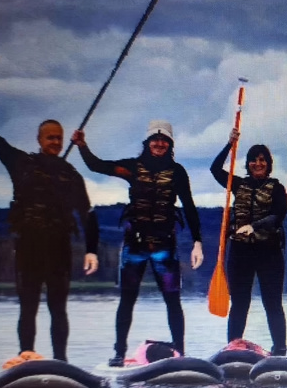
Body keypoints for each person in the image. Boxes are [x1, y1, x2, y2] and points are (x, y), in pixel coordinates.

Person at [0, 109, 99, 362]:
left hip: (59, 248)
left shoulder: (71, 175)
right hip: (29, 246)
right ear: (39, 140)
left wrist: (91, 250)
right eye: (50, 138)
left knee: (58, 308)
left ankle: (61, 361)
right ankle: (26, 354)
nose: (55, 142)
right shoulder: (21, 163)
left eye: (59, 138)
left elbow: (87, 214)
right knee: (28, 305)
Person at [71, 120, 203, 365]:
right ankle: (119, 353)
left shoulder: (177, 173)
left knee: (173, 300)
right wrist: (82, 145)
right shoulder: (132, 168)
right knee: (127, 299)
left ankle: (180, 353)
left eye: (164, 140)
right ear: (148, 142)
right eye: (155, 140)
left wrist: (197, 241)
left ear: (170, 144)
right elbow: (96, 165)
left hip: (165, 246)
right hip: (135, 246)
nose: (160, 144)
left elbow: (189, 206)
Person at [210, 131, 287, 355]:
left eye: (262, 160)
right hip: (241, 252)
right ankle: (233, 348)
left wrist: (254, 226)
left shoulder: (277, 188)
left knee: (272, 303)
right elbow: (215, 169)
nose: (258, 163)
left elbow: (278, 215)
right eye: (254, 160)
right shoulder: (237, 184)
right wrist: (229, 144)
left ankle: (280, 349)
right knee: (239, 303)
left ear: (268, 164)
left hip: (269, 252)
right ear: (248, 164)